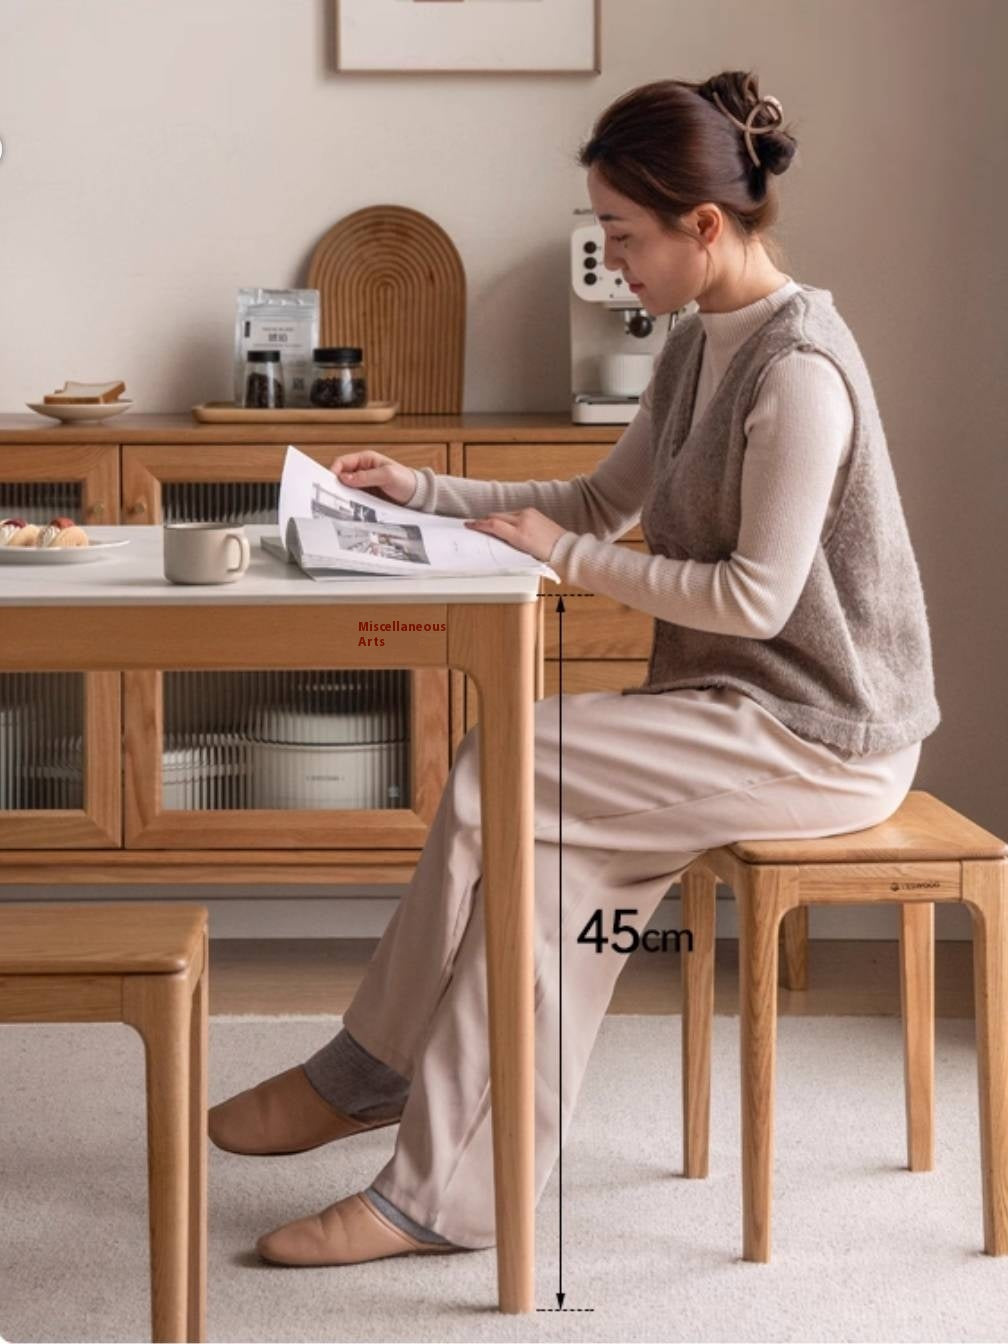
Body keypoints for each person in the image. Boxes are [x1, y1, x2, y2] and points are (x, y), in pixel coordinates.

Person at [208, 68, 941, 1267]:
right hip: (727, 707)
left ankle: (367, 1071)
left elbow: (752, 597)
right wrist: (423, 490)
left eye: (623, 233)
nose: (609, 259)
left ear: (702, 226)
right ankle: (444, 1200)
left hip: (818, 732)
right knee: (553, 868)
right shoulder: (697, 343)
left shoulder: (797, 372)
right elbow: (598, 502)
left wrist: (563, 559)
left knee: (501, 763)